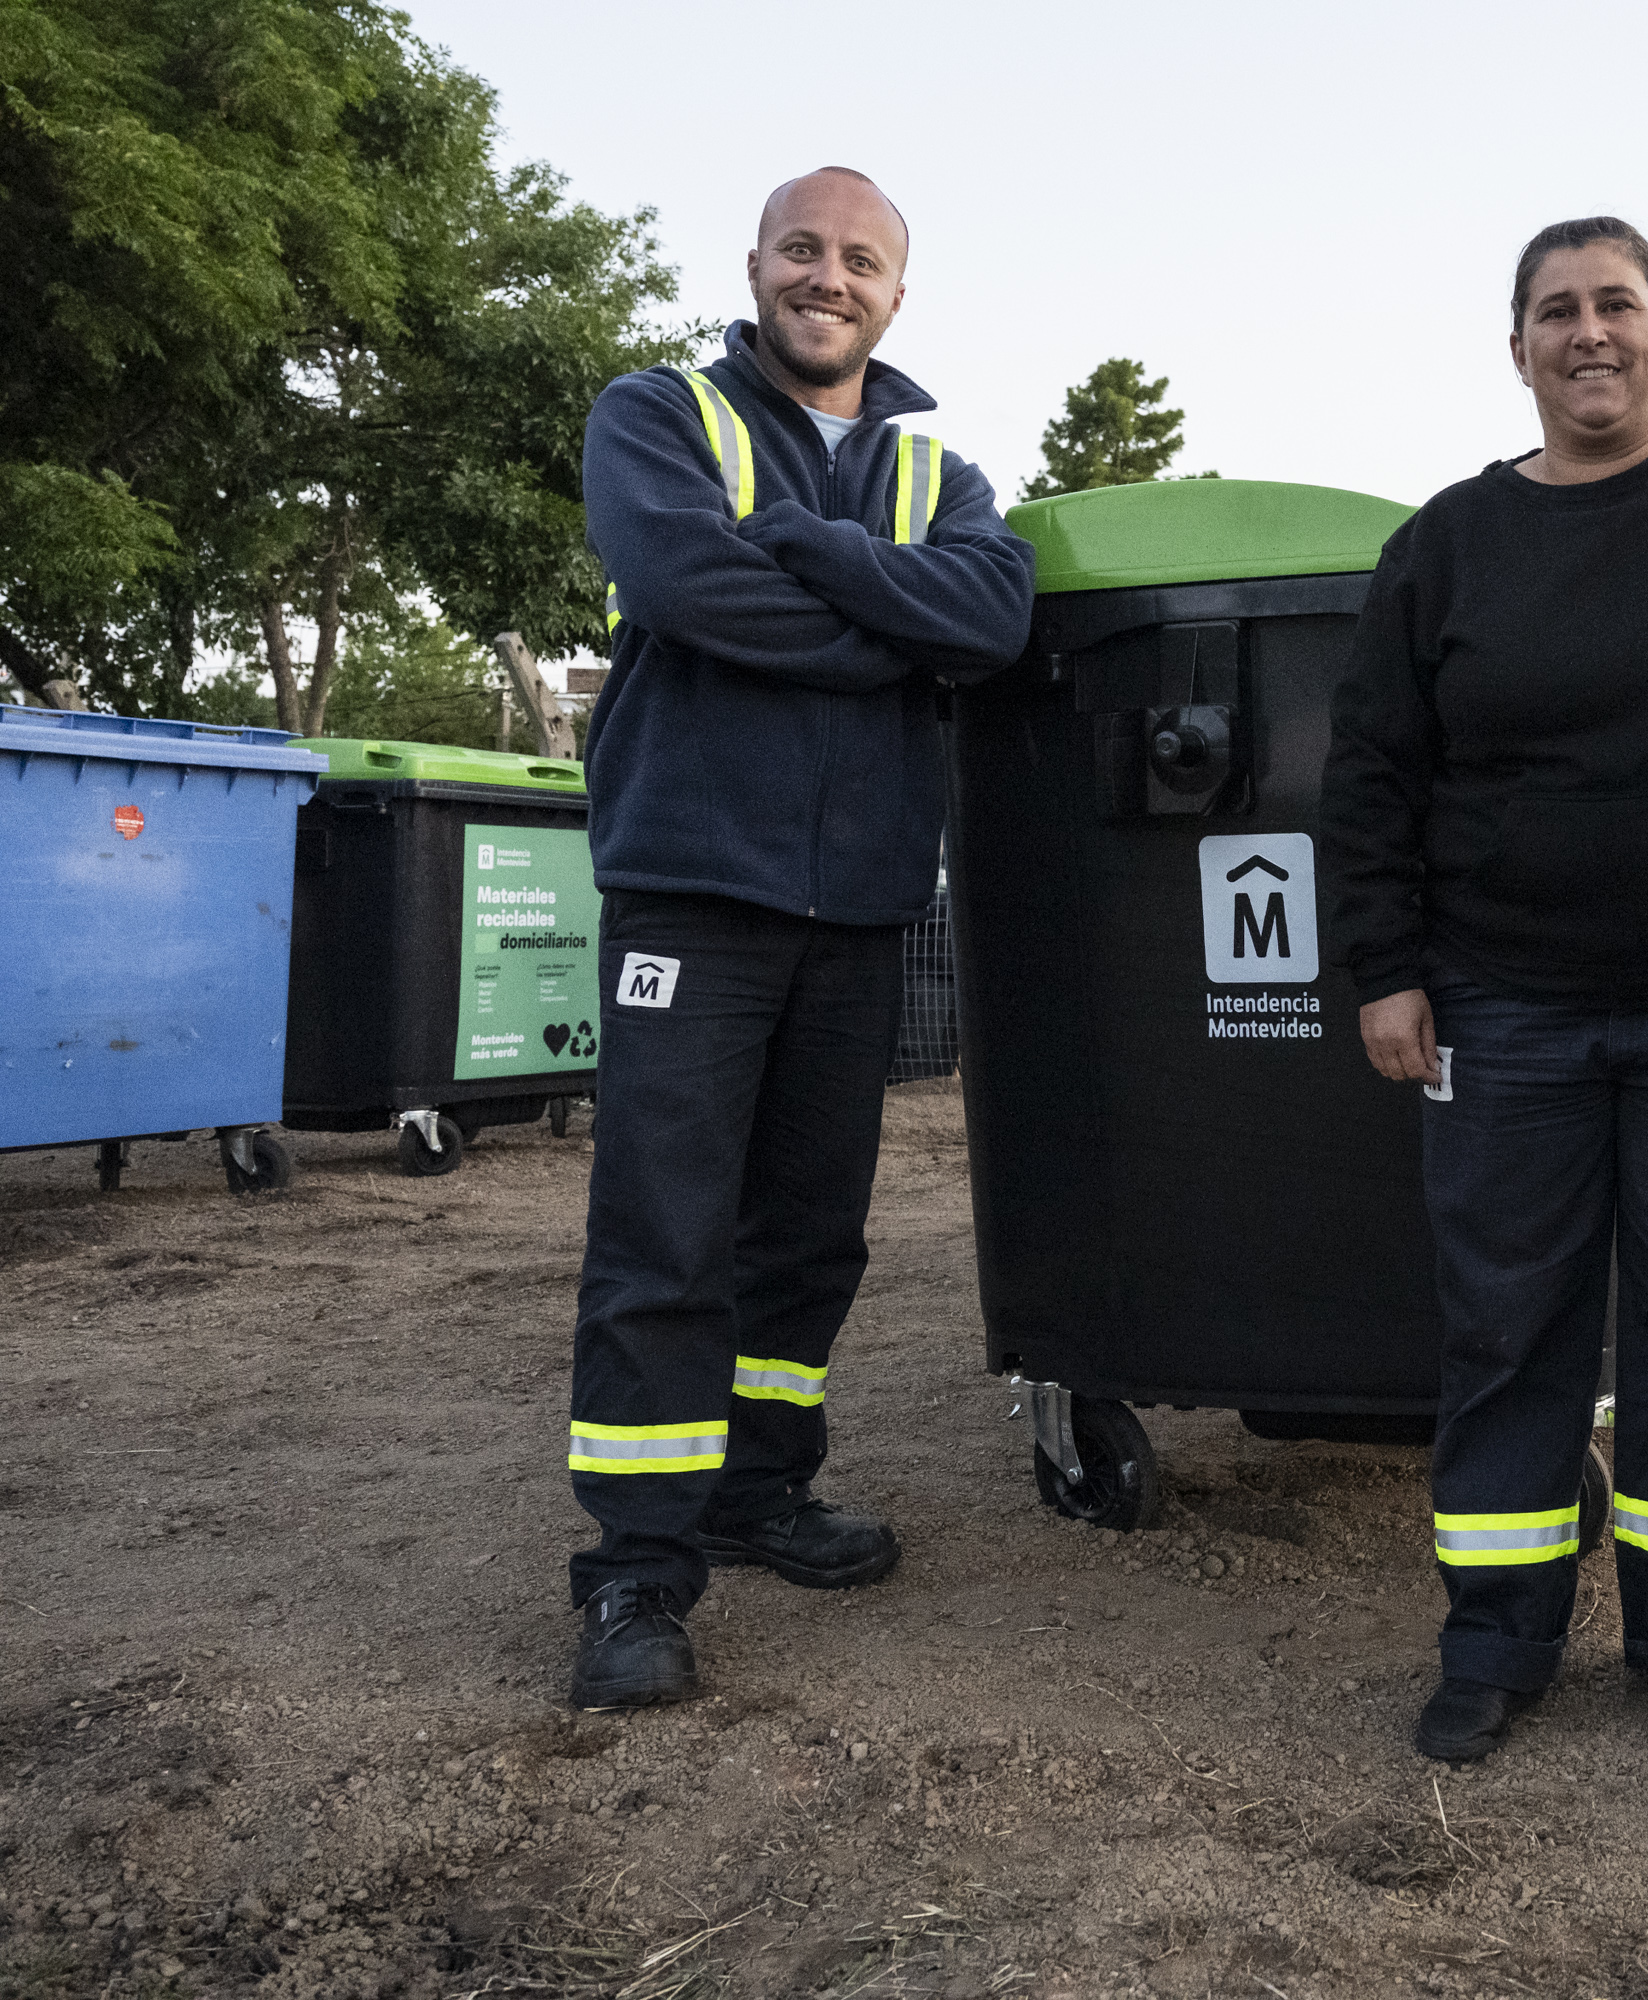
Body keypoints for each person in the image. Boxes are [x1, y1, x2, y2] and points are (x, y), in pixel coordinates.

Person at [1318, 217, 1648, 1764]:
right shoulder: (1447, 548)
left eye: (1618, 304)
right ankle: (1497, 1638)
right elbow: (1370, 776)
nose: (1589, 332)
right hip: (1507, 1013)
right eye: (1558, 309)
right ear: (1519, 348)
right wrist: (1386, 973)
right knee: (1509, 1331)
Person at [564, 167, 1034, 1709]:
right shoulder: (659, 417)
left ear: (897, 296)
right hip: (695, 890)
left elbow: (990, 619)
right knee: (665, 1230)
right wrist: (887, 634)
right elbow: (686, 583)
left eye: (862, 261)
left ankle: (759, 1485)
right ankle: (637, 1559)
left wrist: (821, 560)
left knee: (808, 1233)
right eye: (804, 251)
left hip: (862, 907)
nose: (828, 278)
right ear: (756, 264)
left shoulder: (933, 476)